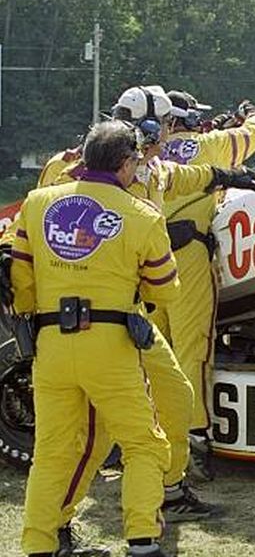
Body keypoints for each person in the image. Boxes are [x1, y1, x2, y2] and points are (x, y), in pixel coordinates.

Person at [13, 120, 179, 557]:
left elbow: (20, 283)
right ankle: (142, 540)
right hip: (110, 344)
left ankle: (38, 545)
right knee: (144, 443)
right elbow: (165, 289)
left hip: (48, 344)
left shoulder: (36, 203)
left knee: (50, 452)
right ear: (126, 163)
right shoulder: (141, 215)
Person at [153, 89, 255, 481]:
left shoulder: (142, 155)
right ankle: (194, 440)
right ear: (188, 120)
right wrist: (247, 109)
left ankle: (147, 442)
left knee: (151, 355)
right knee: (192, 352)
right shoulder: (211, 145)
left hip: (146, 258)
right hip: (187, 255)